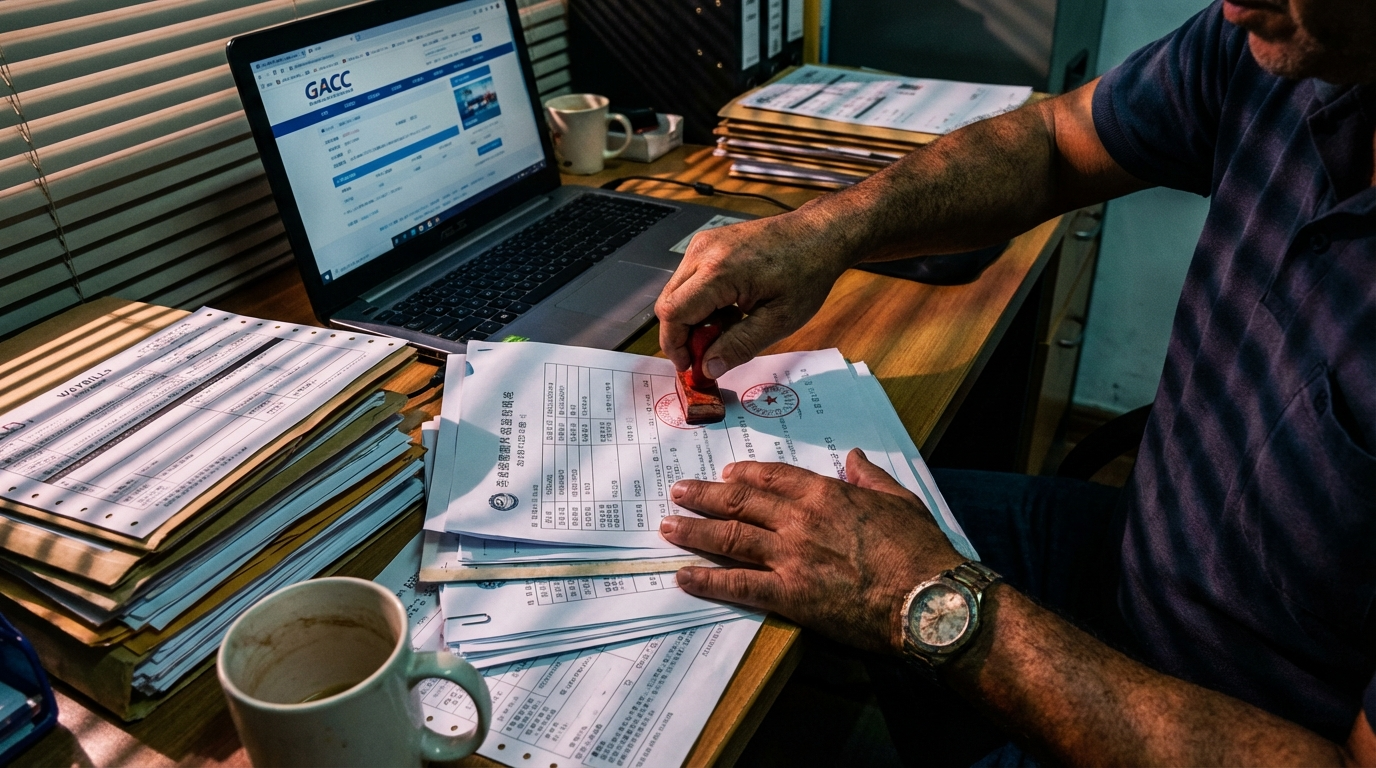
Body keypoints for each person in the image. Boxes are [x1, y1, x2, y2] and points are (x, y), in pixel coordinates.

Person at [652, 0, 1376, 764]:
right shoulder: (1279, 45)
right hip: (1129, 554)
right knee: (773, 529)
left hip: (1239, 717)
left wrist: (929, 600)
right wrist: (826, 232)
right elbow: (1056, 139)